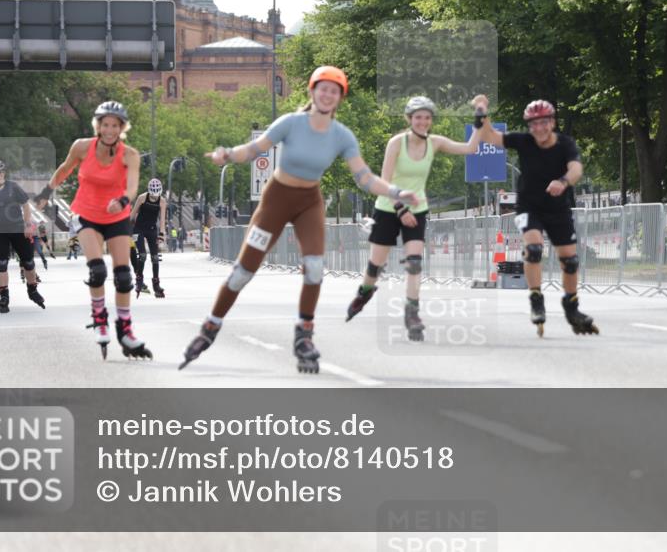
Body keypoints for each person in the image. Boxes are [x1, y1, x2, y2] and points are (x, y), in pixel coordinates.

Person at [180, 65, 419, 373]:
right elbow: (255, 149)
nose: (328, 95)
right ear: (312, 91)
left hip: (309, 202)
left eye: (334, 91)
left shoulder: (342, 136)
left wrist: (396, 191)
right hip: (276, 199)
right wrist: (226, 155)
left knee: (316, 268)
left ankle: (303, 335)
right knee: (243, 272)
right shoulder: (291, 123)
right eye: (323, 89)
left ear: (339, 99)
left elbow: (365, 178)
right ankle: (210, 327)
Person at [345, 95, 485, 340]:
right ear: (409, 119)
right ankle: (364, 293)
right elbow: (385, 180)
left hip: (417, 207)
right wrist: (401, 209)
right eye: (418, 117)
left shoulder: (435, 142)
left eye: (427, 118)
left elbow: (470, 148)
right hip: (390, 207)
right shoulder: (396, 143)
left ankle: (412, 313)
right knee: (375, 265)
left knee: (414, 262)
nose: (423, 122)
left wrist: (480, 116)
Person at [35, 101, 151, 360]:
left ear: (122, 128)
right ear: (98, 126)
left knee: (123, 276)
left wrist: (122, 201)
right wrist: (46, 192)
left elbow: (132, 187)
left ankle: (125, 330)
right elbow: (65, 169)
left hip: (116, 215)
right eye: (105, 124)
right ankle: (100, 320)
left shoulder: (129, 154)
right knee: (97, 270)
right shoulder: (81, 147)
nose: (109, 130)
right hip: (87, 213)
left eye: (115, 125)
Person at [478, 99, 598, 336]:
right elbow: (489, 137)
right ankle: (536, 299)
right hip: (529, 207)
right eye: (534, 124)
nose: (539, 129)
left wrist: (563, 182)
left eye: (544, 123)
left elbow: (576, 169)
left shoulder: (565, 144)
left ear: (552, 122)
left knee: (570, 261)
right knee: (533, 249)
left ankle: (571, 307)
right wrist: (481, 112)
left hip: (557, 209)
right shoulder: (523, 141)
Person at [0, 160, 45, 313]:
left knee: (28, 262)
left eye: (0, 172)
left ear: (4, 173)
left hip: (19, 230)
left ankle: (32, 290)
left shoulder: (13, 187)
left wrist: (27, 225)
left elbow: (25, 205)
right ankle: (4, 295)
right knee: (2, 263)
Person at [129, 178, 167, 298]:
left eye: (157, 195)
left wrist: (161, 234)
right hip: (139, 229)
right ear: (149, 191)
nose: (154, 197)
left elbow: (162, 220)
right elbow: (133, 214)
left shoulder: (162, 201)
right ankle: (139, 279)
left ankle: (156, 284)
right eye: (152, 195)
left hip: (151, 229)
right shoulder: (142, 198)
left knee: (155, 257)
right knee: (143, 255)